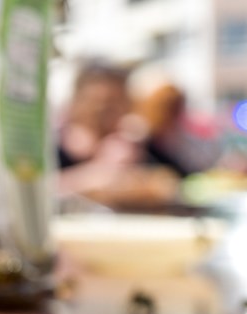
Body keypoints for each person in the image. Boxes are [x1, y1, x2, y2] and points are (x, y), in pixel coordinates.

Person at [56, 62, 182, 208]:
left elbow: (172, 182)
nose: (102, 111)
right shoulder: (53, 147)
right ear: (76, 102)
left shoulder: (136, 145)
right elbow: (41, 189)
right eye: (96, 101)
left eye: (113, 103)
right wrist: (97, 173)